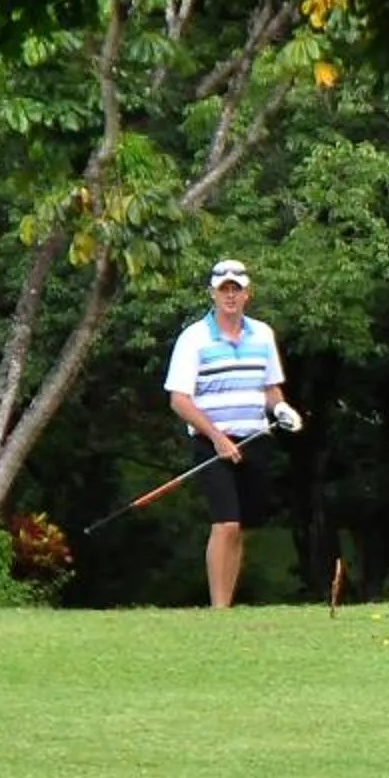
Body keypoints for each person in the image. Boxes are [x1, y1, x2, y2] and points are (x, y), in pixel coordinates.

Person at [163, 258, 296, 608]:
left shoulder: (263, 334)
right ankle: (218, 607)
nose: (231, 295)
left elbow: (270, 390)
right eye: (224, 289)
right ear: (213, 293)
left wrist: (281, 409)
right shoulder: (193, 338)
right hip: (211, 442)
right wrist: (217, 437)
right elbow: (179, 399)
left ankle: (227, 603)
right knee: (225, 523)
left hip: (255, 439)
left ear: (247, 294)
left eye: (236, 289)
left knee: (241, 526)